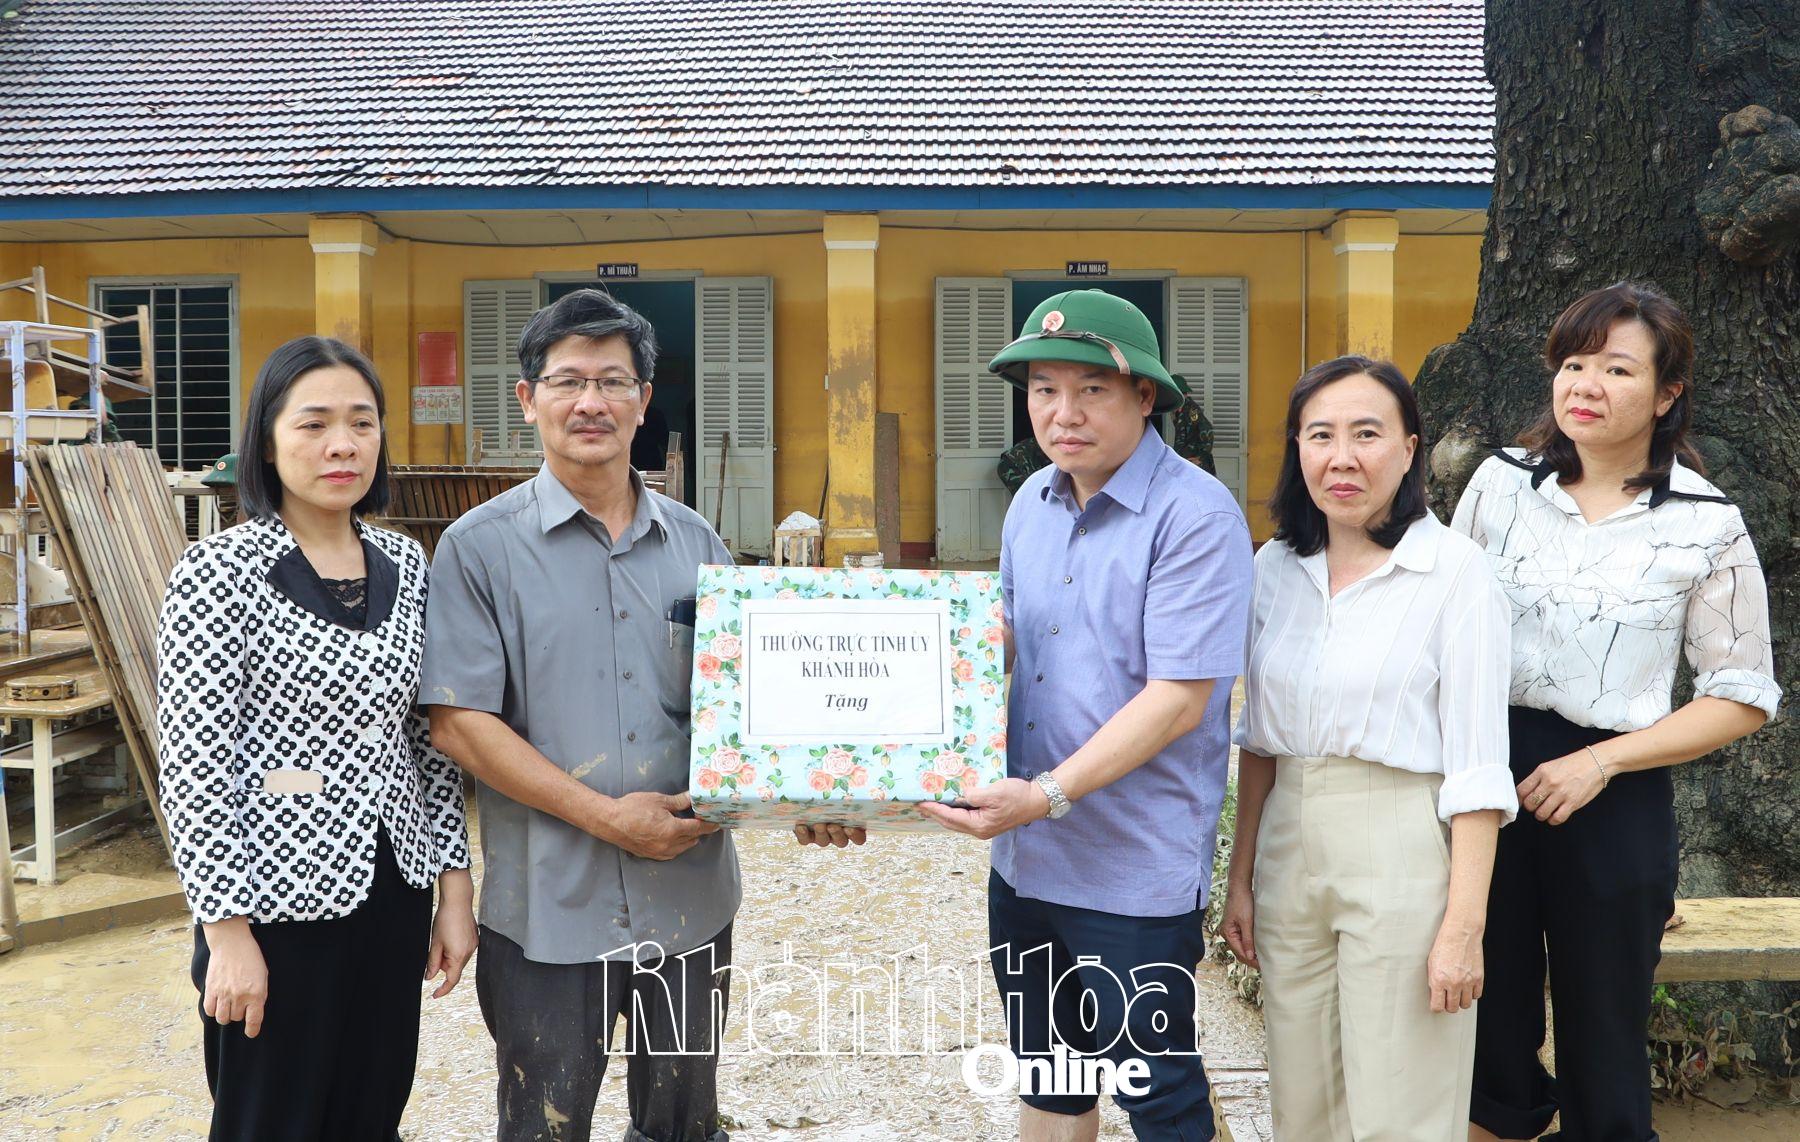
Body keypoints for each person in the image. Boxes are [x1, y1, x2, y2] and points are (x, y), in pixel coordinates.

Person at [921, 289, 1252, 1142]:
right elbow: (994, 649)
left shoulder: (1197, 515)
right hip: (1026, 863)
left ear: (1146, 396)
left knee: (1158, 1090)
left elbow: (1179, 701)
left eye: (1091, 390)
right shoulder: (1032, 500)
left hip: (1129, 870)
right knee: (1053, 1074)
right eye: (1042, 391)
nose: (1062, 414)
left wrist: (1047, 794)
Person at [1452, 283, 1779, 1142]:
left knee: (1604, 1035)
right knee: (1487, 1025)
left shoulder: (1707, 524)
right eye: (1572, 363)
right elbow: (1443, 637)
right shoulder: (1497, 487)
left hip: (1617, 786)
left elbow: (1742, 695)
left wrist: (1601, 762)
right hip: (1489, 775)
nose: (1584, 384)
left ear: (1668, 394)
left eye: (1616, 368)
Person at [423, 289, 735, 1142]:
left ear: (642, 400)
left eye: (612, 381)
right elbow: (458, 722)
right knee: (543, 1124)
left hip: (691, 900)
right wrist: (608, 819)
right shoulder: (478, 549)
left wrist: (821, 796)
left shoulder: (699, 544)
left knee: (683, 1123)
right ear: (528, 400)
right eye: (566, 381)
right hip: (547, 912)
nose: (589, 402)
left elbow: (747, 714)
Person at [156, 335, 473, 1141]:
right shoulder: (218, 572)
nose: (343, 444)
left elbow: (426, 744)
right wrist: (226, 934)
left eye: (362, 423)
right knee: (270, 1119)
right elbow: (195, 764)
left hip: (390, 894)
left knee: (371, 1111)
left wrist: (454, 888)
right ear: (267, 438)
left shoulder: (406, 562)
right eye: (314, 424)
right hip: (273, 909)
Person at [1219, 356, 1515, 1141]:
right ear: (1296, 448)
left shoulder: (1456, 573)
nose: (1341, 457)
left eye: (1366, 434)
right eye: (1320, 435)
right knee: (1303, 1097)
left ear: (1410, 449)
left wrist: (1463, 927)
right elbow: (1258, 742)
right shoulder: (1273, 570)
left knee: (1401, 1105)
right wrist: (1241, 877)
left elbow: (1480, 769)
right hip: (1290, 840)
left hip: (1402, 842)